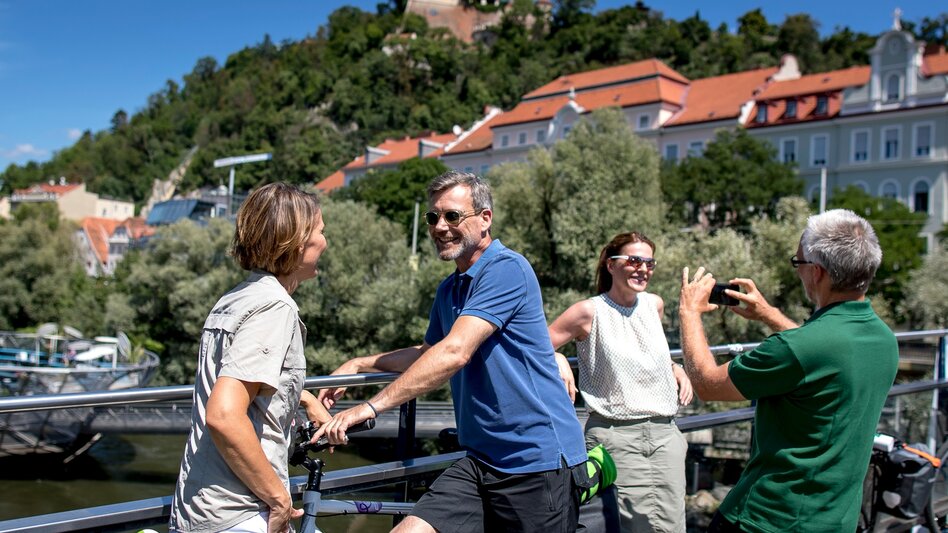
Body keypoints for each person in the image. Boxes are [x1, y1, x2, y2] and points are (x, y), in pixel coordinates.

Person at [315, 170, 588, 532]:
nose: (440, 227)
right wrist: (358, 364)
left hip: (536, 462)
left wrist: (368, 408)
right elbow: (430, 352)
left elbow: (455, 353)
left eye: (452, 216)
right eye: (433, 217)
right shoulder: (450, 289)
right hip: (481, 460)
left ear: (485, 218)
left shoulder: (507, 269)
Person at [678, 209, 899, 533]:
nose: (797, 272)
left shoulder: (797, 348)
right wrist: (769, 314)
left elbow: (707, 384)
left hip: (764, 519)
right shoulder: (883, 340)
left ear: (817, 272)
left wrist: (688, 311)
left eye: (798, 263)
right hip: (835, 521)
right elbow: (820, 356)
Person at [169, 183, 332, 533]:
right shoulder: (274, 307)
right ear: (296, 241)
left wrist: (302, 397)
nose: (325, 242)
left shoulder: (236, 298)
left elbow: (242, 380)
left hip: (198, 504)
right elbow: (225, 414)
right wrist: (279, 499)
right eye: (320, 231)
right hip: (240, 511)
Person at [548, 231, 694, 533]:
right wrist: (558, 358)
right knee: (636, 527)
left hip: (667, 435)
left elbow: (644, 353)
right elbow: (533, 346)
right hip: (618, 439)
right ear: (611, 264)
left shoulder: (654, 305)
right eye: (634, 260)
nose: (643, 269)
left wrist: (673, 366)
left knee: (673, 525)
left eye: (649, 263)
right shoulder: (588, 311)